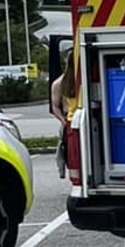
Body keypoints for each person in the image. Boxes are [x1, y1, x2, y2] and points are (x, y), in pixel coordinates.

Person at [50, 48, 79, 179]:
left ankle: (76, 180)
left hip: (71, 121)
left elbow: (55, 107)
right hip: (75, 122)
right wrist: (64, 122)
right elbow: (55, 106)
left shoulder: (59, 83)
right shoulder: (62, 83)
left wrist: (63, 121)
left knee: (74, 157)